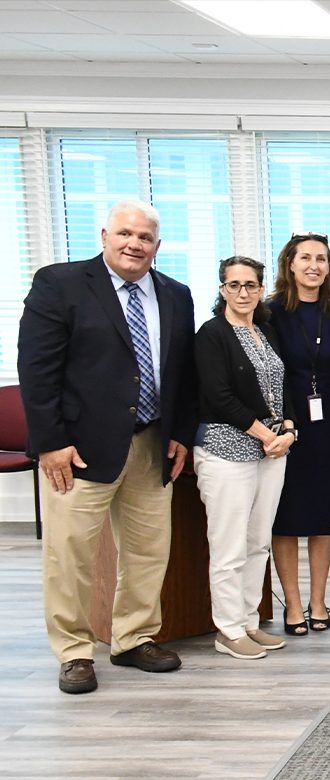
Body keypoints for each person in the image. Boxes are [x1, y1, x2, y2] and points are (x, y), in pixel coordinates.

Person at [19, 200, 197, 694]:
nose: (133, 244)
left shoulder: (175, 294)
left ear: (157, 247)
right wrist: (51, 442)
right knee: (69, 554)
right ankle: (74, 652)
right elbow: (36, 370)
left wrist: (180, 432)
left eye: (144, 238)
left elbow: (181, 373)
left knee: (147, 551)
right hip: (79, 449)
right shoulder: (61, 284)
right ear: (104, 234)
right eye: (125, 234)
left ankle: (133, 638)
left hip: (152, 442)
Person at [193, 255, 296, 659]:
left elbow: (281, 385)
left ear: (260, 289)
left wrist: (287, 430)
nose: (243, 292)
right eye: (234, 285)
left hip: (270, 451)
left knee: (258, 543)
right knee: (229, 546)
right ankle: (228, 629)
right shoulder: (211, 334)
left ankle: (249, 622)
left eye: (250, 285)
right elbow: (218, 397)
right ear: (222, 290)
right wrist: (267, 433)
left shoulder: (264, 331)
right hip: (226, 451)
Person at [266, 233, 330, 635]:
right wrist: (282, 421)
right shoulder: (269, 313)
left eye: (322, 258)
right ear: (290, 264)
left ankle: (318, 601)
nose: (314, 265)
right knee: (284, 518)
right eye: (306, 258)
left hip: (323, 424)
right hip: (281, 422)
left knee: (320, 518)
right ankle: (293, 604)